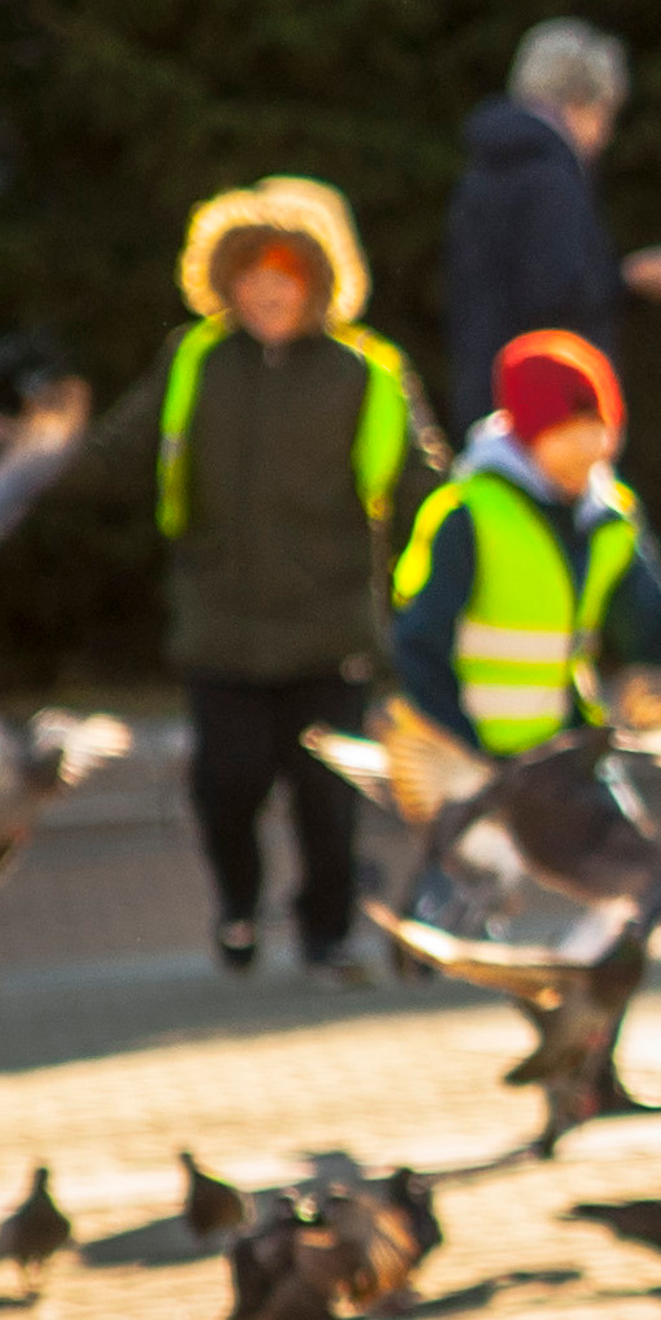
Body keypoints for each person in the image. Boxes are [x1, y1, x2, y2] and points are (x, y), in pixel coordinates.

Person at [158, 177, 441, 977]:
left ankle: (326, 929)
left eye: (285, 275)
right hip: (222, 627)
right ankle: (238, 905)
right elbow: (118, 448)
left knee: (327, 801)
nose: (268, 291)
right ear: (225, 281)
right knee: (227, 786)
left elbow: (427, 483)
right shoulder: (196, 364)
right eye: (251, 275)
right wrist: (28, 450)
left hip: (329, 630)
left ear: (319, 281)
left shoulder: (367, 373)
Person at [391, 331, 661, 752]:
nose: (589, 449)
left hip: (566, 748)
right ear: (529, 436)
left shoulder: (611, 516)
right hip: (477, 756)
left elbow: (653, 631)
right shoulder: (469, 513)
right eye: (568, 433)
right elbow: (418, 643)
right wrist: (458, 752)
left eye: (600, 430)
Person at [443, 18, 661, 432]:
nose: (606, 135)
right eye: (606, 113)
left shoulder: (490, 165)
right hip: (549, 412)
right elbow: (555, 291)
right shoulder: (550, 176)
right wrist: (631, 278)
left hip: (486, 390)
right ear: (581, 100)